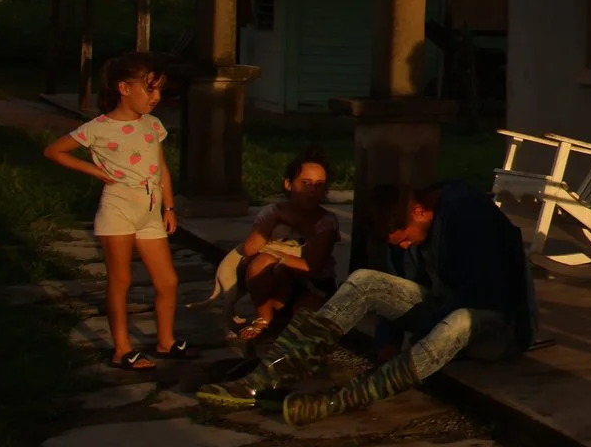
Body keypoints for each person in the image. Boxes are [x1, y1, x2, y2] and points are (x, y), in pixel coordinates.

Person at [200, 180, 534, 423]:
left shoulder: (470, 215)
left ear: (420, 211)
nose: (405, 248)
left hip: (495, 326)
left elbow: (487, 296)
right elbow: (400, 286)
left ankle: (338, 401)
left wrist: (420, 338)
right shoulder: (400, 216)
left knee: (459, 318)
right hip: (442, 310)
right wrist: (387, 344)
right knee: (364, 280)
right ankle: (271, 374)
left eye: (405, 240)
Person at [43, 52, 185, 370]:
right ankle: (121, 349)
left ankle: (166, 341)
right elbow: (54, 150)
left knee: (168, 281)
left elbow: (162, 169)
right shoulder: (99, 128)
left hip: (150, 210)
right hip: (118, 208)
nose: (156, 97)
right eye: (150, 89)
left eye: (160, 90)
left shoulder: (153, 125)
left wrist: (169, 206)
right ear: (123, 88)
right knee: (120, 280)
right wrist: (96, 172)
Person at [228, 147, 341, 342]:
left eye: (319, 184)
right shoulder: (271, 212)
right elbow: (250, 248)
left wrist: (285, 248)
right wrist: (276, 218)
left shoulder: (326, 222)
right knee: (260, 262)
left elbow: (311, 266)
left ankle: (281, 316)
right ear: (289, 184)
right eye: (305, 183)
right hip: (272, 279)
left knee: (307, 324)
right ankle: (264, 317)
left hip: (311, 284)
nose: (312, 190)